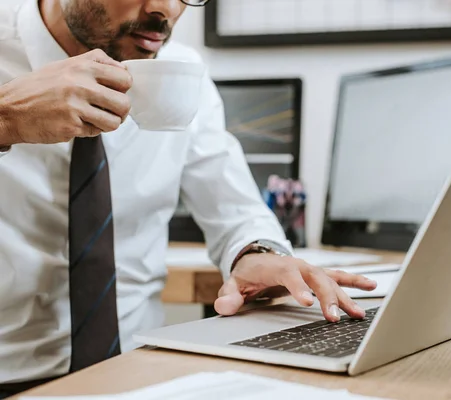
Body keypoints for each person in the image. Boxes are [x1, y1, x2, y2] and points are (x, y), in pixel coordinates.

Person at [0, 0, 376, 396]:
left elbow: (235, 211)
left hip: (139, 370)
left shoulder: (180, 71)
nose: (166, 8)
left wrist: (256, 253)